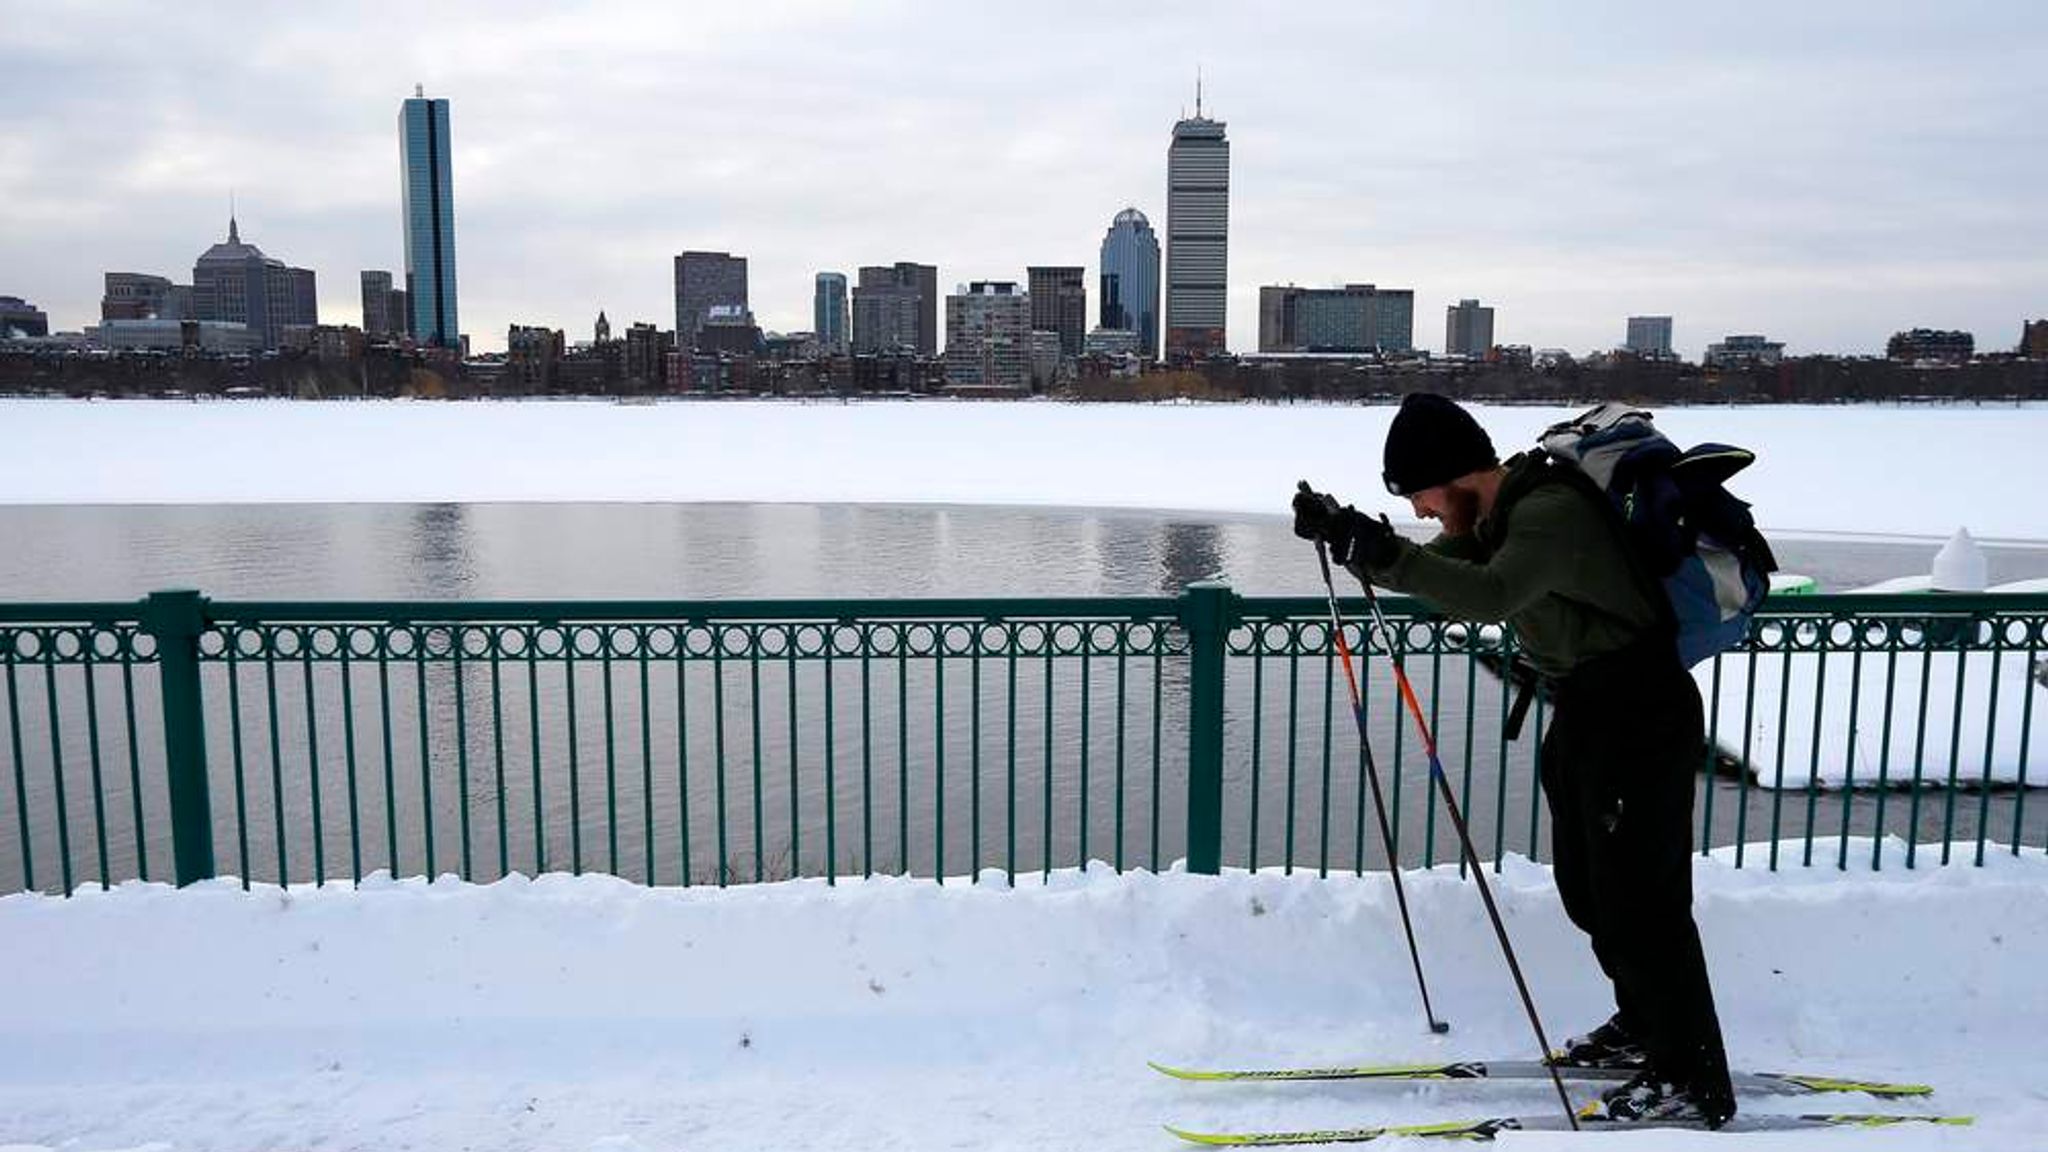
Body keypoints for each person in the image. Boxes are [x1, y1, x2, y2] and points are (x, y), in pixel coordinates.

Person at [1290, 391, 1736, 1128]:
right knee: (1591, 889)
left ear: (1456, 473)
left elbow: (1490, 594)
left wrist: (1390, 554)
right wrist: (1350, 534)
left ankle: (1692, 1074)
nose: (1423, 512)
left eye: (1420, 495)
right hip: (1590, 709)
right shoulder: (1502, 515)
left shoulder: (1548, 513)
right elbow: (1440, 565)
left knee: (1643, 902)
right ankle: (1644, 1024)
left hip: (1638, 713)